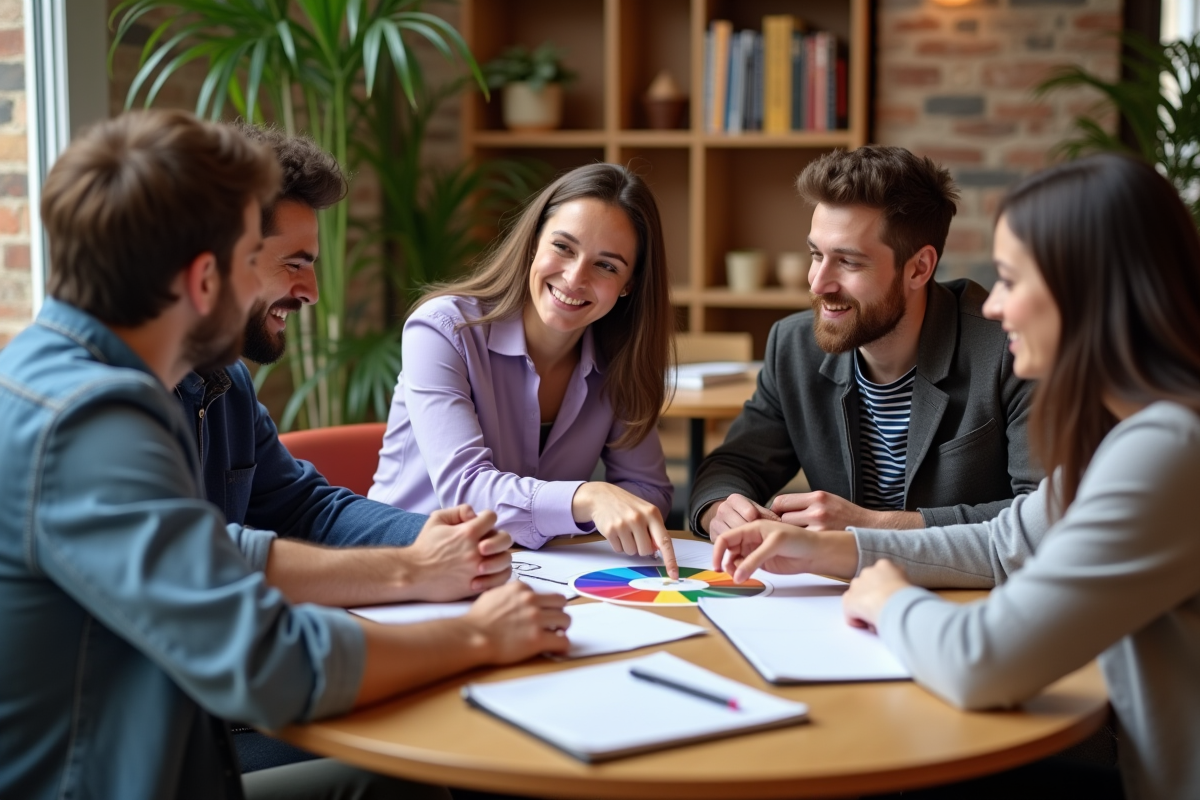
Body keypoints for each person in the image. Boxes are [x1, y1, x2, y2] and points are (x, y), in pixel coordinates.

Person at [0, 109, 571, 800]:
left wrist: (423, 552)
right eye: (254, 260)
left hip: (170, 735)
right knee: (420, 774)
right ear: (203, 277)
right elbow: (268, 658)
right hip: (120, 773)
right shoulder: (87, 424)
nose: (281, 289)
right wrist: (477, 637)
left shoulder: (96, 379)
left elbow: (242, 540)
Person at [711, 152, 1200, 800]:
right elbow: (1007, 543)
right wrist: (842, 550)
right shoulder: (1134, 433)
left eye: (1010, 278)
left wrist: (888, 599)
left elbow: (982, 662)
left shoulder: (1167, 449)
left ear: (1085, 290)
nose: (994, 306)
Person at [176, 123, 516, 773]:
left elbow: (306, 506)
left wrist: (429, 538)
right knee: (419, 766)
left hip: (221, 702)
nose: (310, 293)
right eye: (296, 263)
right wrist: (425, 584)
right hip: (174, 738)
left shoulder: (227, 382)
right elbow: (212, 565)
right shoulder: (113, 405)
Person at [690, 145, 1041, 539]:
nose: (818, 282)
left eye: (849, 261)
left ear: (919, 268)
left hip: (962, 593)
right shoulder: (792, 346)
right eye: (815, 254)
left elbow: (1045, 515)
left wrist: (872, 528)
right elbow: (732, 466)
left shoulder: (1012, 350)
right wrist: (721, 509)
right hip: (836, 594)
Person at [368, 163, 679, 575]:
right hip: (405, 572)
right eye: (563, 247)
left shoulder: (619, 359)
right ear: (534, 242)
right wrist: (587, 501)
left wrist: (601, 507)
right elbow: (466, 492)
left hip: (531, 573)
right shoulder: (442, 330)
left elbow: (648, 490)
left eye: (606, 266)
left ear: (629, 284)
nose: (574, 277)